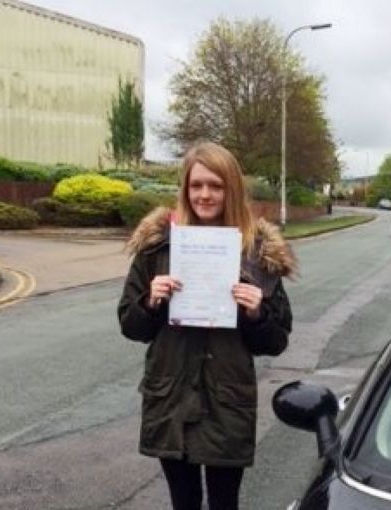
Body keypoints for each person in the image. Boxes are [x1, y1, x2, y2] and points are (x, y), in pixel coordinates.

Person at [117, 141, 296, 510]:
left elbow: (276, 341)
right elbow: (131, 326)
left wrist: (255, 314)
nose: (205, 194)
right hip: (172, 395)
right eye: (196, 185)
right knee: (183, 502)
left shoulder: (259, 254)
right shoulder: (157, 247)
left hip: (226, 399)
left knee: (223, 503)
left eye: (215, 186)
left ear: (231, 189)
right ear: (185, 188)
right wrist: (151, 302)